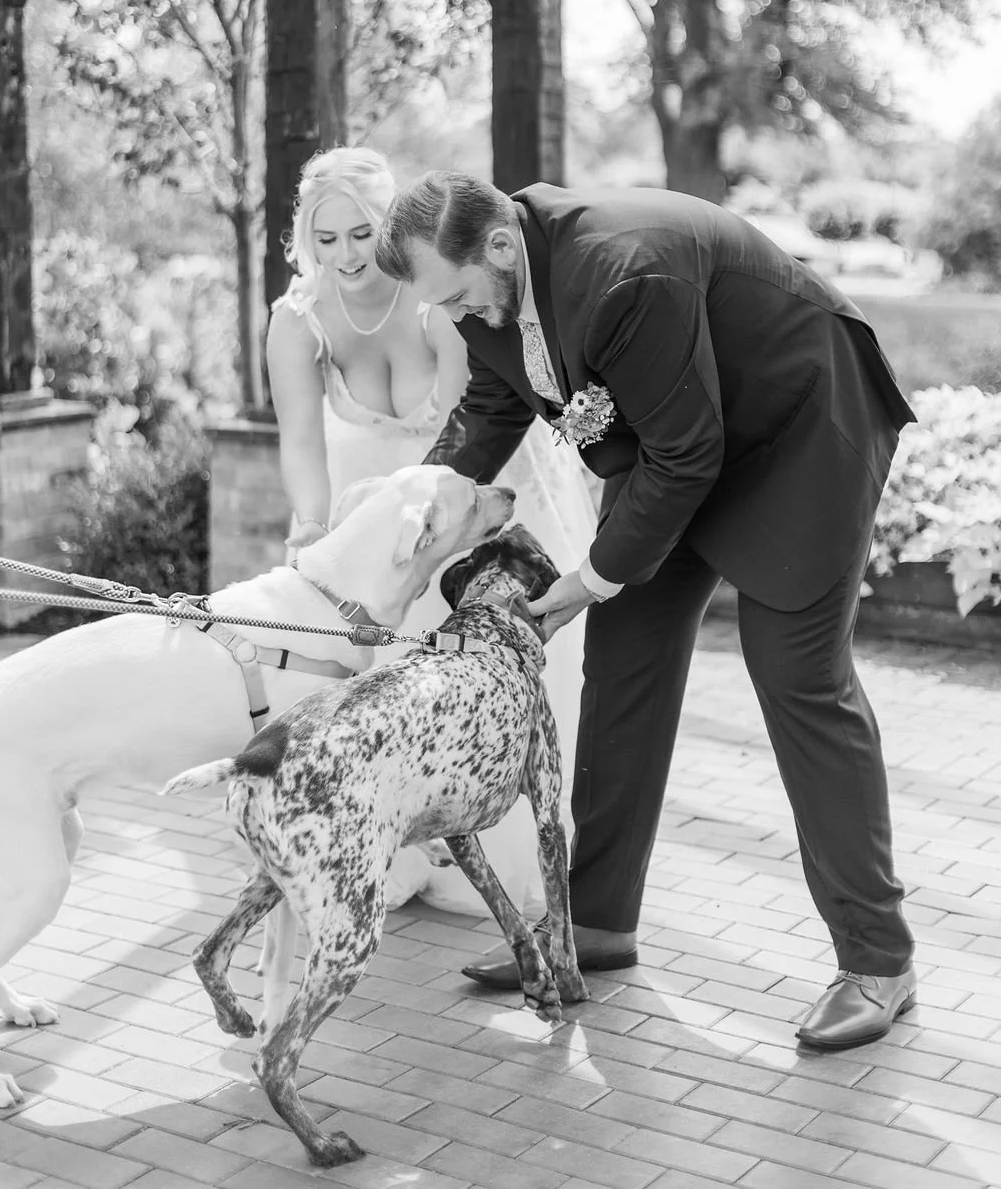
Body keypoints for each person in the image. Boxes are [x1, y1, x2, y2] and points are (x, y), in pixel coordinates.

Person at [374, 170, 918, 1051]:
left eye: (464, 295)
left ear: (503, 247)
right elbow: (491, 404)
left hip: (799, 430)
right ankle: (592, 922)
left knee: (797, 677)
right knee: (623, 662)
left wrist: (590, 576)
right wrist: (421, 501)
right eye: (447, 308)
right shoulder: (489, 293)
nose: (464, 318)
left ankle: (879, 960)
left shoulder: (621, 271)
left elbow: (688, 453)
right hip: (678, 442)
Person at [266, 147, 597, 915]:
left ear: (390, 233)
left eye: (361, 234)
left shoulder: (433, 300)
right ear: (304, 239)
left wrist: (432, 532)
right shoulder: (297, 321)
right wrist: (313, 530)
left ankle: (510, 851)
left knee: (476, 680)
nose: (344, 255)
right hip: (369, 524)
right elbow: (299, 447)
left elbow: (471, 430)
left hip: (462, 501)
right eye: (326, 238)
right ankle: (394, 846)